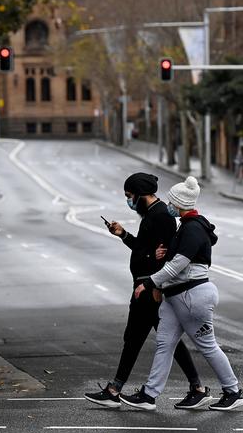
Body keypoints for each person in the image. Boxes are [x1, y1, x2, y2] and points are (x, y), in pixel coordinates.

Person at [84, 172, 211, 409]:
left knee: (137, 338)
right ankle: (196, 387)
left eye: (130, 196)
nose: (129, 201)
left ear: (141, 195)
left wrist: (156, 286)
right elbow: (145, 249)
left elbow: (167, 257)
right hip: (146, 285)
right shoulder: (153, 214)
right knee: (159, 340)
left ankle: (115, 390)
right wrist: (123, 235)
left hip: (149, 288)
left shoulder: (161, 216)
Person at [119, 176, 243, 412]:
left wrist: (149, 283)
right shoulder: (185, 226)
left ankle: (233, 391)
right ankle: (149, 394)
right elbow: (175, 260)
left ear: (179, 204)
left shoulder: (193, 229)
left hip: (192, 296)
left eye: (170, 202)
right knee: (164, 343)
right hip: (177, 297)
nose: (168, 205)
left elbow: (179, 264)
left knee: (207, 345)